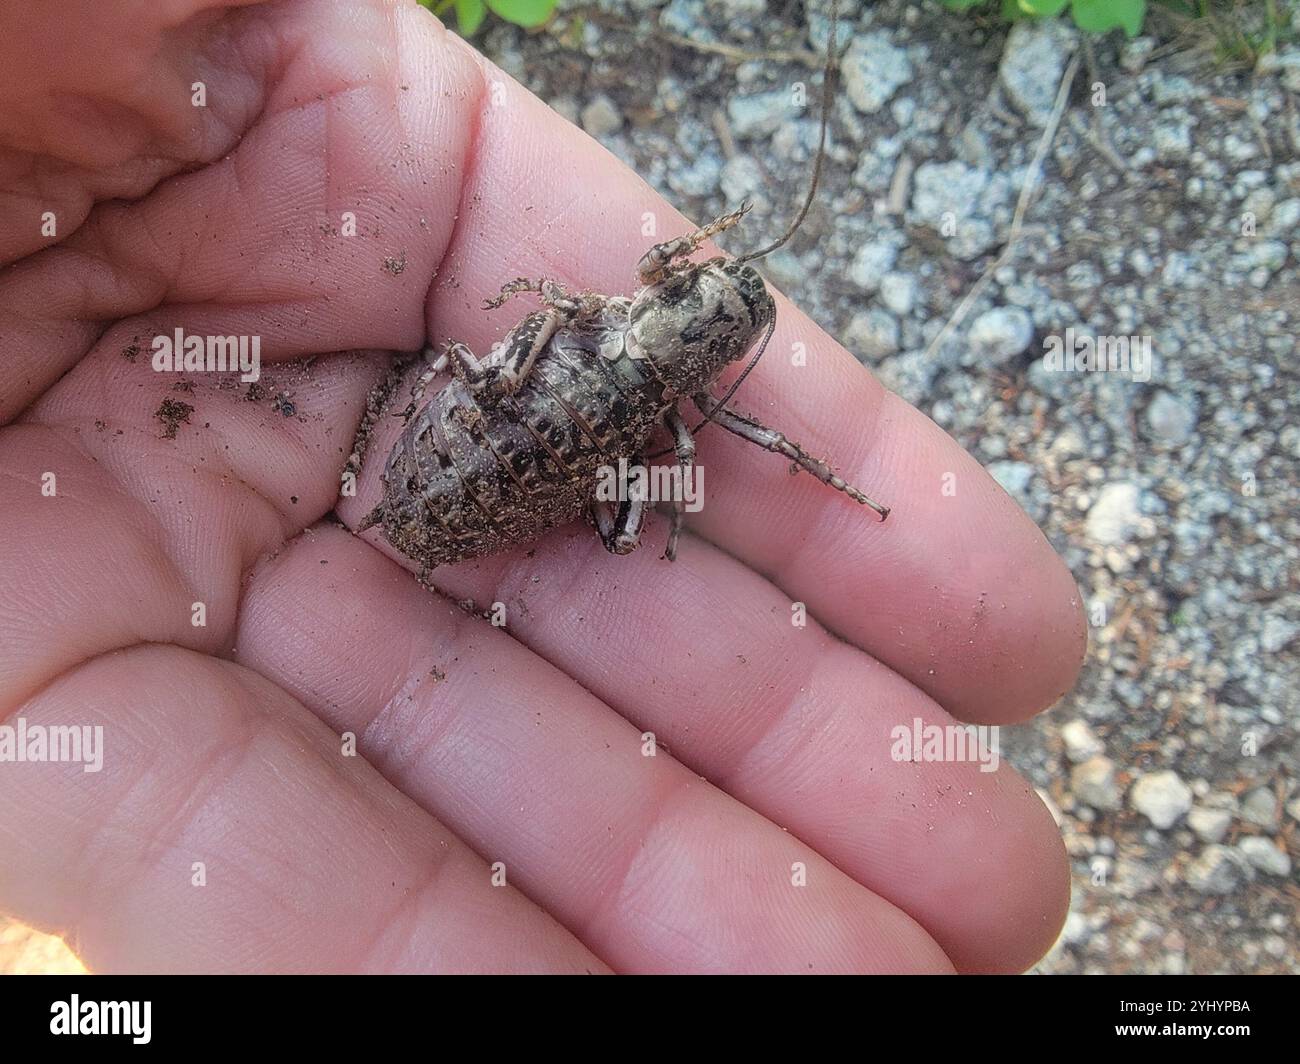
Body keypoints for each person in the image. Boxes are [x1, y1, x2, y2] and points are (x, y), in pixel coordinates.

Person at [0, 0, 1085, 973]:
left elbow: (585, 314)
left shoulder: (599, 324)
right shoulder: (642, 365)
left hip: (486, 432)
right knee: (616, 499)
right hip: (493, 443)